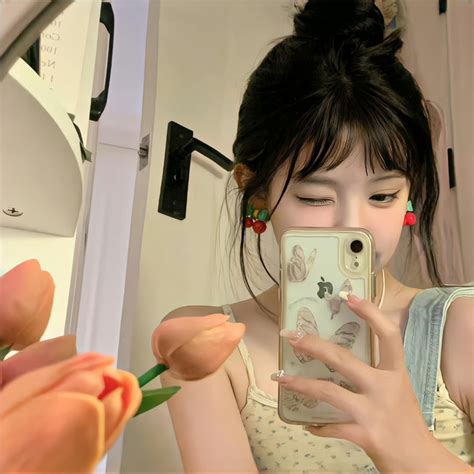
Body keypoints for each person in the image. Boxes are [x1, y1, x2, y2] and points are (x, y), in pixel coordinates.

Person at [160, 1, 473, 472]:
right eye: (315, 197)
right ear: (256, 192)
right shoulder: (206, 343)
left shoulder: (462, 327)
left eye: (383, 195)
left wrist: (408, 445)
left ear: (409, 195)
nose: (353, 225)